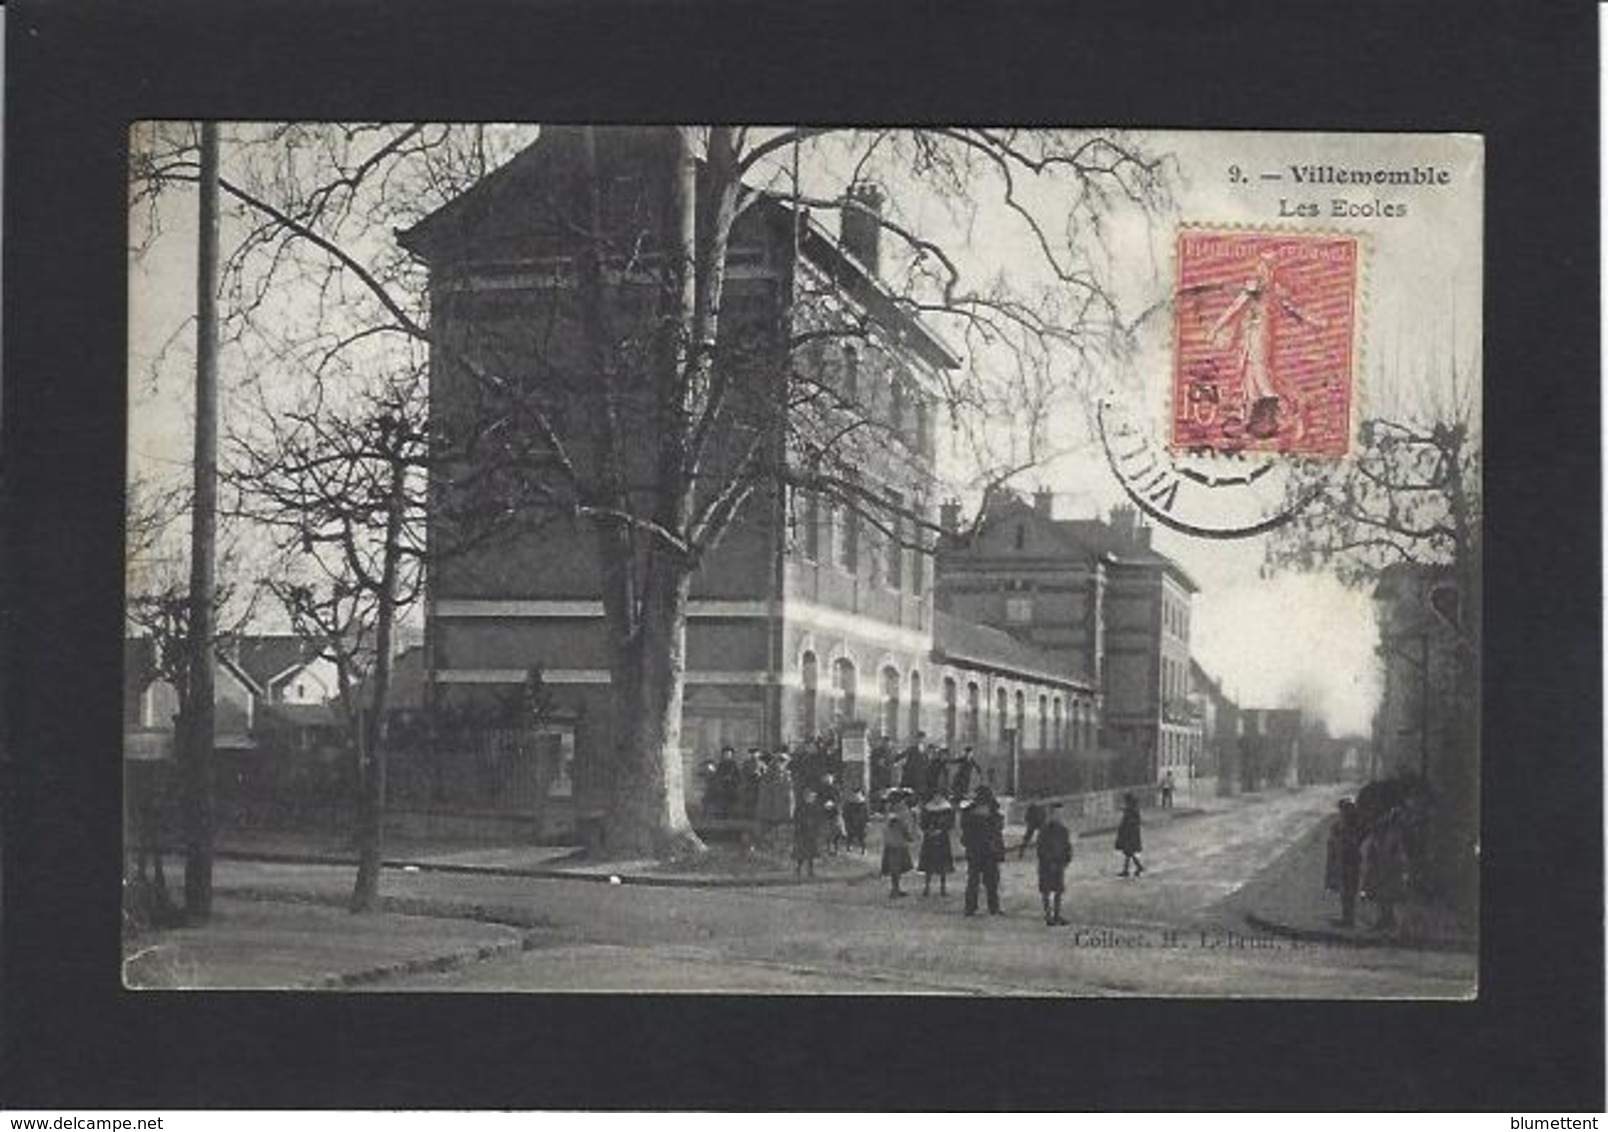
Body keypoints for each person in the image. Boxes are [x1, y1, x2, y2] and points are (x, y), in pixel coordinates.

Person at [960, 785, 1006, 916]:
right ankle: (993, 908)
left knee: (973, 880)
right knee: (991, 882)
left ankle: (970, 907)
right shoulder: (993, 812)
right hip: (988, 851)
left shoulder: (969, 812)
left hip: (975, 850)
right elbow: (997, 831)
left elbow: (965, 831)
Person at [1363, 809, 1409, 932]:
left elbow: (1399, 853)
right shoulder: (1382, 834)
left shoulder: (1394, 834)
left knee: (1389, 896)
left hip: (1391, 869)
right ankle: (1385, 920)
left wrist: (1403, 868)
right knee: (1382, 895)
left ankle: (1389, 921)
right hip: (1383, 868)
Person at [1324, 797, 1364, 927]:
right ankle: (1347, 918)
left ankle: (1349, 919)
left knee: (1349, 892)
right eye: (1342, 810)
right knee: (1345, 891)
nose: (1343, 813)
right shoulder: (1338, 826)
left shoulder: (1352, 826)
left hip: (1350, 862)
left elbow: (1356, 843)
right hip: (1343, 862)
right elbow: (1332, 845)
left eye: (1345, 810)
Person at [1036, 802, 1074, 926]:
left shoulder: (1063, 830)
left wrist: (1066, 860)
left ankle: (1057, 915)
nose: (1059, 816)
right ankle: (1048, 916)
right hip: (1046, 865)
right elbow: (1041, 848)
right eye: (1056, 814)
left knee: (1058, 891)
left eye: (1061, 814)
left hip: (1059, 864)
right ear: (1051, 814)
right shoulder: (1044, 830)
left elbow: (1067, 847)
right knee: (1046, 891)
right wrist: (1049, 861)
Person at [917, 792, 956, 897]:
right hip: (929, 837)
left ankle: (943, 888)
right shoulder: (927, 808)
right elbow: (922, 823)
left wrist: (942, 829)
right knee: (928, 864)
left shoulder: (947, 808)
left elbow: (951, 823)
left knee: (943, 864)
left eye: (939, 796)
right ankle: (927, 887)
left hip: (942, 837)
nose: (937, 798)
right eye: (935, 796)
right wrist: (928, 830)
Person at [881, 789, 917, 898]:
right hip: (898, 842)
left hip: (891, 841)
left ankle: (895, 888)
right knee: (896, 867)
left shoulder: (891, 810)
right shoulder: (902, 810)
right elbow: (905, 825)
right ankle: (895, 889)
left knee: (895, 867)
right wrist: (909, 836)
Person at [793, 789, 822, 878]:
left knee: (811, 854)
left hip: (811, 833)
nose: (812, 798)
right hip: (802, 833)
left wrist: (815, 825)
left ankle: (810, 871)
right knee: (801, 853)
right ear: (805, 797)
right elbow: (796, 818)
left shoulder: (815, 807)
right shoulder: (801, 807)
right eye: (810, 797)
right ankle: (798, 869)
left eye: (813, 797)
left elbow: (818, 818)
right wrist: (803, 823)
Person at [1114, 793, 1145, 877]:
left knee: (1129, 852)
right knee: (1128, 853)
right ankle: (1127, 869)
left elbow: (1133, 821)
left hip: (1130, 834)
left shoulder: (1132, 810)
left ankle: (1138, 867)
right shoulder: (1132, 809)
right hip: (1130, 834)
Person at [843, 785, 870, 854]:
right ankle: (849, 848)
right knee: (850, 835)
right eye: (855, 794)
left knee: (861, 836)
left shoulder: (863, 803)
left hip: (861, 822)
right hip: (851, 821)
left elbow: (866, 813)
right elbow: (846, 813)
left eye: (858, 794)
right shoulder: (849, 803)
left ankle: (863, 849)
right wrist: (846, 821)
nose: (856, 796)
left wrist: (868, 821)